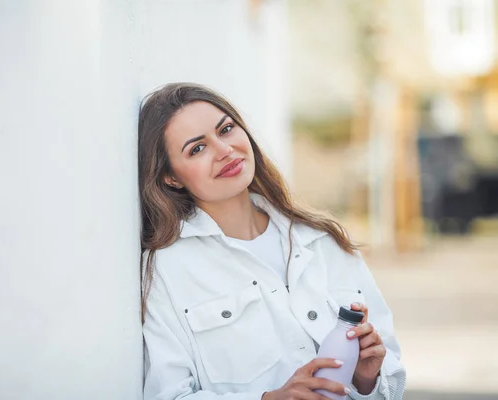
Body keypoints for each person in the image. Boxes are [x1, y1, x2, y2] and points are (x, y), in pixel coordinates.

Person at [138, 82, 406, 400]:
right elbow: (168, 395)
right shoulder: (167, 268)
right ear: (171, 177)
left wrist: (367, 379)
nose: (224, 150)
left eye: (226, 130)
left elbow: (390, 377)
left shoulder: (322, 240)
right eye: (197, 148)